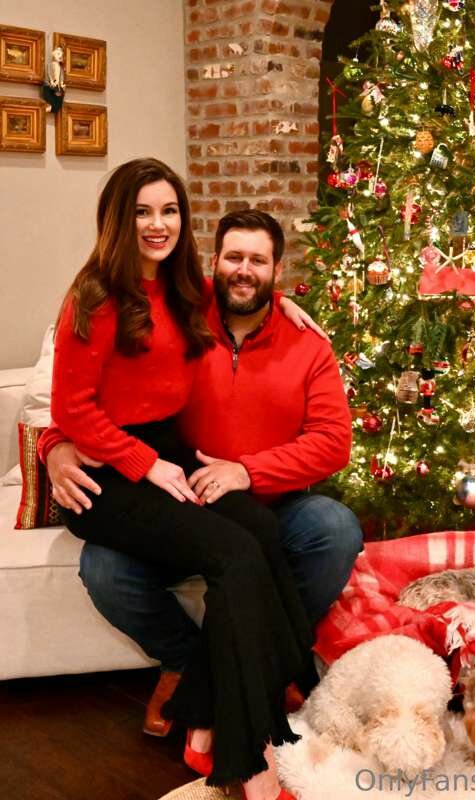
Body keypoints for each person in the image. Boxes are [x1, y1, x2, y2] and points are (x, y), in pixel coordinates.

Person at [42, 158, 330, 800]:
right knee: (233, 552)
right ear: (118, 219)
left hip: (167, 453)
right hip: (108, 475)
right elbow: (71, 411)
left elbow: (245, 287)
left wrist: (286, 304)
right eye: (143, 211)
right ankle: (248, 749)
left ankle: (218, 695)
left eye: (169, 210)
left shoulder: (185, 288)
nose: (158, 224)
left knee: (259, 530)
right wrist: (139, 462)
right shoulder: (92, 297)